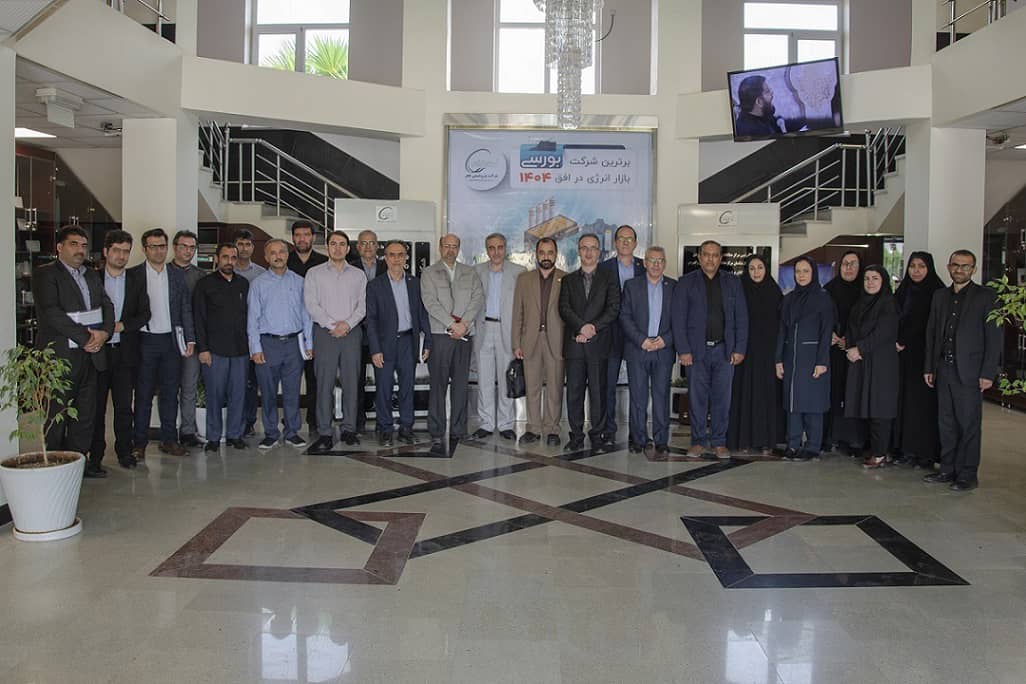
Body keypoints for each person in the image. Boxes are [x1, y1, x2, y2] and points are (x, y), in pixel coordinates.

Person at [32, 226, 115, 479]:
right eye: (74, 244)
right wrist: (86, 338)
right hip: (61, 358)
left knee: (85, 416)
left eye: (83, 245)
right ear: (60, 247)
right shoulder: (46, 274)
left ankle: (76, 467)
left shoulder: (91, 274)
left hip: (91, 356)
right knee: (56, 415)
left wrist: (105, 333)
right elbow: (52, 312)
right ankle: (54, 469)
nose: (80, 250)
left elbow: (107, 305)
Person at [922, 250, 1001, 491]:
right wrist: (929, 367)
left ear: (973, 269)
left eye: (965, 266)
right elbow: (932, 333)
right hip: (943, 368)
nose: (959, 270)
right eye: (955, 265)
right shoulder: (939, 296)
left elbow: (994, 338)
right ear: (948, 267)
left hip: (970, 371)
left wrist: (988, 373)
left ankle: (967, 474)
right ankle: (947, 469)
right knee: (946, 423)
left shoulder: (986, 296)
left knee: (968, 424)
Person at [671, 240, 748, 458]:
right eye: (706, 254)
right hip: (696, 352)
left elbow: (742, 318)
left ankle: (719, 441)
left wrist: (739, 348)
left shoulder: (733, 282)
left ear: (721, 258)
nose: (710, 259)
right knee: (697, 399)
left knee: (722, 399)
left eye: (715, 255)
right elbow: (678, 319)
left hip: (725, 352)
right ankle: (697, 441)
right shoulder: (686, 282)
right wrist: (683, 350)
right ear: (699, 257)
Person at [131, 228, 196, 460]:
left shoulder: (176, 275)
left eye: (162, 246)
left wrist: (190, 338)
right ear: (144, 249)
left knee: (170, 393)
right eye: (153, 246)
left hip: (171, 342)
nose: (158, 251)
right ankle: (139, 443)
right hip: (145, 341)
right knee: (144, 394)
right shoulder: (134, 275)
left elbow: (185, 308)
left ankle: (169, 440)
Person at [90, 230, 150, 471]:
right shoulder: (92, 278)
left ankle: (124, 452)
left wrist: (124, 325)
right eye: (116, 250)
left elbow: (145, 313)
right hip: (97, 352)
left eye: (126, 251)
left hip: (124, 353)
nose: (121, 256)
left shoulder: (136, 280)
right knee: (96, 408)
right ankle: (95, 456)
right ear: (106, 252)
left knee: (124, 407)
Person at [420, 233, 484, 455]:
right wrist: (451, 324)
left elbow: (477, 298)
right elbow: (430, 302)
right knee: (438, 385)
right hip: (440, 334)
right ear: (440, 248)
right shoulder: (429, 273)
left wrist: (464, 324)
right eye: (447, 246)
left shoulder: (470, 272)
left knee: (460, 384)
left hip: (464, 335)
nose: (450, 249)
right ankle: (436, 430)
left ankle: (459, 429)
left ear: (459, 249)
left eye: (454, 246)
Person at [247, 239, 314, 450]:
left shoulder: (299, 281)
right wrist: (255, 348)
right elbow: (252, 319)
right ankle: (271, 433)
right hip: (268, 343)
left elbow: (306, 315)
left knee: (292, 390)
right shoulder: (258, 284)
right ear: (266, 257)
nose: (278, 256)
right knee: (268, 391)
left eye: (282, 252)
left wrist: (309, 343)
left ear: (287, 254)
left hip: (294, 343)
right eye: (273, 253)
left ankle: (292, 432)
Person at [304, 230, 366, 453]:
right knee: (324, 384)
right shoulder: (314, 273)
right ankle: (324, 432)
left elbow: (362, 306)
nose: (337, 248)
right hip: (325, 334)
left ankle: (349, 429)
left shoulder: (358, 275)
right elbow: (311, 305)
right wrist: (332, 325)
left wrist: (346, 325)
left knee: (351, 383)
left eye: (342, 244)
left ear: (348, 249)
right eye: (333, 244)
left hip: (351, 333)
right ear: (327, 247)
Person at [365, 241, 432, 446]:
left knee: (407, 387)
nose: (396, 259)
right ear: (385, 258)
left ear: (406, 258)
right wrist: (375, 349)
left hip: (407, 342)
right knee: (384, 388)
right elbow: (371, 320)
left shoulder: (415, 283)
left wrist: (427, 342)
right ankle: (385, 429)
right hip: (384, 344)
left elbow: (422, 315)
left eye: (400, 254)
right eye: (392, 255)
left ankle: (406, 428)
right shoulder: (375, 285)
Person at [559, 233, 621, 451]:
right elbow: (564, 308)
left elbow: (613, 308)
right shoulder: (568, 280)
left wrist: (591, 328)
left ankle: (597, 435)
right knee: (574, 393)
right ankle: (576, 436)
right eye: (584, 248)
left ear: (599, 252)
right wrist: (581, 327)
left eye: (593, 248)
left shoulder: (609, 278)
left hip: (599, 344)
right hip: (575, 345)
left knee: (598, 393)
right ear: (578, 251)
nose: (588, 252)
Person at [775, 256, 834, 461]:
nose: (801, 275)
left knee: (813, 403)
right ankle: (792, 444)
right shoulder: (789, 299)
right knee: (792, 403)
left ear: (813, 273)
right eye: (798, 271)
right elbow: (782, 331)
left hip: (813, 358)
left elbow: (826, 332)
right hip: (791, 357)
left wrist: (822, 362)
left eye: (805, 271)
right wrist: (778, 359)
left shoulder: (823, 298)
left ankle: (813, 446)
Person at [193, 243, 251, 450]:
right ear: (217, 259)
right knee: (214, 395)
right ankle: (214, 437)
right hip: (214, 350)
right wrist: (203, 349)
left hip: (240, 350)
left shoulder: (243, 284)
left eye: (233, 258)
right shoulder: (204, 284)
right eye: (225, 257)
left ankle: (235, 434)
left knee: (238, 394)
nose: (229, 261)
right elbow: (198, 318)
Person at [619, 246, 676, 455]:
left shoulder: (674, 286)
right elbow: (624, 316)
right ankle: (638, 439)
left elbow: (680, 320)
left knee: (661, 396)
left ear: (665, 264)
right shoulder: (631, 286)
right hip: (638, 349)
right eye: (652, 260)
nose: (656, 264)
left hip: (663, 350)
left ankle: (661, 440)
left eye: (660, 261)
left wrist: (665, 340)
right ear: (644, 263)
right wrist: (641, 340)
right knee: (638, 397)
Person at [843, 265, 900, 469]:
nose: (870, 282)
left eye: (875, 278)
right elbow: (851, 329)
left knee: (879, 408)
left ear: (883, 281)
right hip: (861, 362)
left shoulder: (888, 303)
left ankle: (880, 453)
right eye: (867, 278)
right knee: (866, 406)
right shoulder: (860, 304)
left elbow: (884, 332)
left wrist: (860, 349)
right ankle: (875, 449)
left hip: (880, 364)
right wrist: (851, 347)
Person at [512, 238, 566, 446]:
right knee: (532, 387)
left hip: (557, 341)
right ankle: (533, 428)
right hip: (530, 340)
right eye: (542, 252)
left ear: (556, 254)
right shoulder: (524, 280)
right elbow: (518, 313)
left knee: (555, 387)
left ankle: (552, 429)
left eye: (550, 252)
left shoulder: (566, 279)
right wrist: (516, 343)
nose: (546, 256)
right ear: (536, 254)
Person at [893, 251, 945, 468]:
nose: (916, 271)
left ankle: (924, 453)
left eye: (921, 266)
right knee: (903, 404)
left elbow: (932, 326)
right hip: (901, 357)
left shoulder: (937, 292)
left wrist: (905, 340)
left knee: (922, 406)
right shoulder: (903, 290)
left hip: (924, 358)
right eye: (912, 266)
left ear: (929, 268)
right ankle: (904, 450)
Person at [727, 254, 783, 455]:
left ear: (766, 270)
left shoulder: (774, 292)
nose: (756, 272)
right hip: (744, 353)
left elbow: (781, 326)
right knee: (743, 394)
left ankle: (766, 440)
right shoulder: (740, 291)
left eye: (760, 267)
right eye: (752, 268)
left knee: (765, 395)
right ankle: (743, 439)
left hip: (768, 354)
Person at [473, 233, 525, 440]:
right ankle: (486, 423)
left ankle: (505, 424)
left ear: (506, 248)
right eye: (492, 248)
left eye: (500, 247)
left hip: (507, 330)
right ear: (487, 250)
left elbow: (523, 307)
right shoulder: (476, 272)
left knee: (506, 379)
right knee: (484, 379)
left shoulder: (519, 272)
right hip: (483, 329)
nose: (496, 252)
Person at [598, 225, 645, 443]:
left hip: (637, 336)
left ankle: (637, 432)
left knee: (638, 386)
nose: (625, 242)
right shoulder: (604, 268)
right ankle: (608, 429)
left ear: (635, 243)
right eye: (621, 238)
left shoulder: (645, 267)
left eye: (629, 239)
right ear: (615, 242)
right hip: (610, 334)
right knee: (608, 386)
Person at [286, 220, 328, 435]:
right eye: (298, 235)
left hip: (316, 327)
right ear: (293, 237)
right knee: (290, 378)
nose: (302, 238)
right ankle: (290, 419)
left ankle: (314, 420)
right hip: (291, 328)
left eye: (306, 234)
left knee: (315, 377)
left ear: (313, 237)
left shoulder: (323, 262)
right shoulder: (284, 261)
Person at [823, 250, 865, 454]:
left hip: (857, 353)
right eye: (845, 263)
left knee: (853, 394)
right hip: (833, 350)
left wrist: (851, 340)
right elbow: (822, 316)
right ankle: (830, 437)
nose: (849, 268)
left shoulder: (866, 290)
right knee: (833, 392)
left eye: (853, 264)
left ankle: (853, 440)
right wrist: (830, 334)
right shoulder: (829, 289)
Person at [168, 230, 205, 448]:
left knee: (189, 387)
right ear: (175, 247)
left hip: (193, 341)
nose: (188, 251)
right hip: (167, 340)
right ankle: (168, 432)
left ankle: (188, 431)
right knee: (169, 387)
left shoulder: (201, 276)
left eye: (192, 247)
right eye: (184, 246)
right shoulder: (163, 272)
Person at [352, 229, 386, 435]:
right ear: (357, 247)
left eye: (371, 243)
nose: (367, 247)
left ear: (377, 246)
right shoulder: (349, 268)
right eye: (363, 243)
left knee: (383, 378)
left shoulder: (387, 267)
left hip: (381, 332)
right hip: (356, 330)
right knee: (356, 379)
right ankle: (358, 421)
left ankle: (383, 421)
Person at [234, 228, 266, 438]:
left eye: (247, 245)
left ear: (253, 248)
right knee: (235, 381)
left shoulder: (261, 274)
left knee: (252, 383)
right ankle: (234, 421)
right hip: (232, 335)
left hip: (255, 336)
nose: (244, 248)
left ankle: (249, 422)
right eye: (240, 244)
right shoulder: (227, 270)